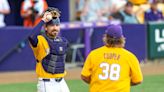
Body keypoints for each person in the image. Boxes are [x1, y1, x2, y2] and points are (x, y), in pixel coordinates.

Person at [81, 24, 143, 92]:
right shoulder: (130, 56)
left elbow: (84, 76)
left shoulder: (94, 54)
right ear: (122, 38)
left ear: (106, 37)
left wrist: (99, 83)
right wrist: (122, 83)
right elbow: (138, 80)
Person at [28, 7, 70, 92]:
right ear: (46, 28)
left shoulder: (63, 41)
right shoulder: (41, 40)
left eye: (57, 25)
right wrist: (43, 20)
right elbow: (31, 36)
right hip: (47, 83)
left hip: (62, 82)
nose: (55, 28)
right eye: (52, 25)